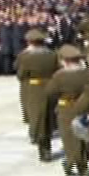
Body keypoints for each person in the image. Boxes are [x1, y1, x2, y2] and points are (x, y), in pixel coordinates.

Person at [46, 45, 89, 176]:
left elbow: (50, 92)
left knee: (70, 140)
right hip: (84, 108)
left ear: (64, 60)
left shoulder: (60, 75)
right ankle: (78, 165)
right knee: (84, 138)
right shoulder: (88, 74)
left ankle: (75, 164)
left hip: (66, 109)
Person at [15, 29, 60, 162]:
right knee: (48, 119)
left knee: (37, 119)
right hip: (50, 88)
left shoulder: (25, 56)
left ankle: (43, 148)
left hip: (33, 89)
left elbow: (21, 75)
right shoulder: (52, 54)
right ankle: (45, 144)